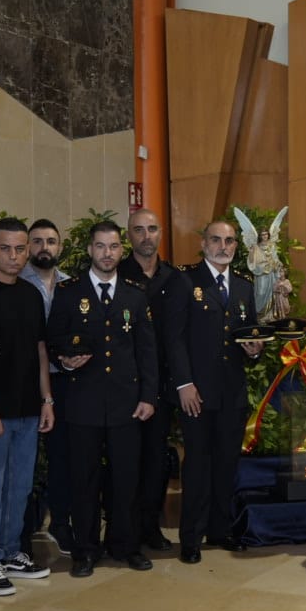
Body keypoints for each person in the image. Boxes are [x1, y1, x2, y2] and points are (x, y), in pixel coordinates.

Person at [47, 220, 158, 578]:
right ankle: (85, 550)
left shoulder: (135, 293)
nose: (106, 254)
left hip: (127, 404)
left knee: (127, 479)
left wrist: (149, 396)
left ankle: (126, 545)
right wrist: (63, 358)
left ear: (121, 250)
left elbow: (147, 351)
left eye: (112, 247)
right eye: (100, 247)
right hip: (83, 403)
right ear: (90, 250)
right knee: (84, 480)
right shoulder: (68, 292)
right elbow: (54, 339)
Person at [164, 220, 266, 563]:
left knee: (226, 463)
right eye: (217, 240)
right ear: (204, 243)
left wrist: (254, 349)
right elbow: (174, 338)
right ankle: (191, 538)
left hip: (232, 391)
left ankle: (220, 530)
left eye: (230, 241)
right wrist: (184, 383)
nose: (224, 246)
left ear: (237, 246)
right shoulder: (184, 280)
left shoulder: (242, 286)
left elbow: (246, 333)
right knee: (197, 465)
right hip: (197, 392)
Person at [0, 218, 54, 596]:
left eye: (20, 249)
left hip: (28, 409)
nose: (14, 256)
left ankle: (11, 551)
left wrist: (47, 400)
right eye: (6, 248)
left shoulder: (31, 294)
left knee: (19, 488)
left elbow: (40, 351)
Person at [118, 208, 188, 551]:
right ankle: (123, 531)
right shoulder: (114, 275)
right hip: (121, 387)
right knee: (124, 462)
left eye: (152, 229)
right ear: (128, 236)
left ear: (161, 233)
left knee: (156, 461)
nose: (146, 236)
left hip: (160, 388)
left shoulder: (176, 279)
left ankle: (151, 527)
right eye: (138, 230)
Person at [19, 218, 75, 555]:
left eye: (51, 241)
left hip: (66, 381)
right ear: (27, 248)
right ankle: (22, 534)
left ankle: (61, 524)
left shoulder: (72, 286)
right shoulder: (18, 284)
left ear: (60, 247)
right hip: (28, 383)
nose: (44, 248)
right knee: (25, 463)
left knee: (63, 458)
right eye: (37, 241)